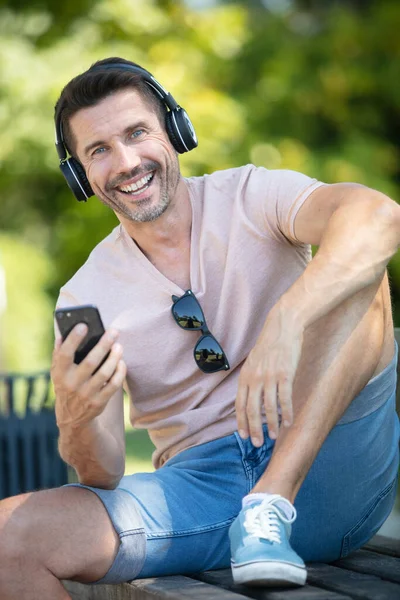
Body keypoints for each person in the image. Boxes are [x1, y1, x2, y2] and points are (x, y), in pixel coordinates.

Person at [0, 57, 399, 599]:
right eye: (98, 150)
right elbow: (102, 474)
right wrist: (75, 418)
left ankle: (270, 505)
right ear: (81, 176)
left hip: (329, 458)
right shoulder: (85, 295)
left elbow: (380, 217)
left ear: (173, 129)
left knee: (360, 272)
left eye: (137, 132)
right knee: (7, 536)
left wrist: (287, 319)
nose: (126, 162)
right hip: (202, 486)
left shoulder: (253, 196)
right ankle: (252, 513)